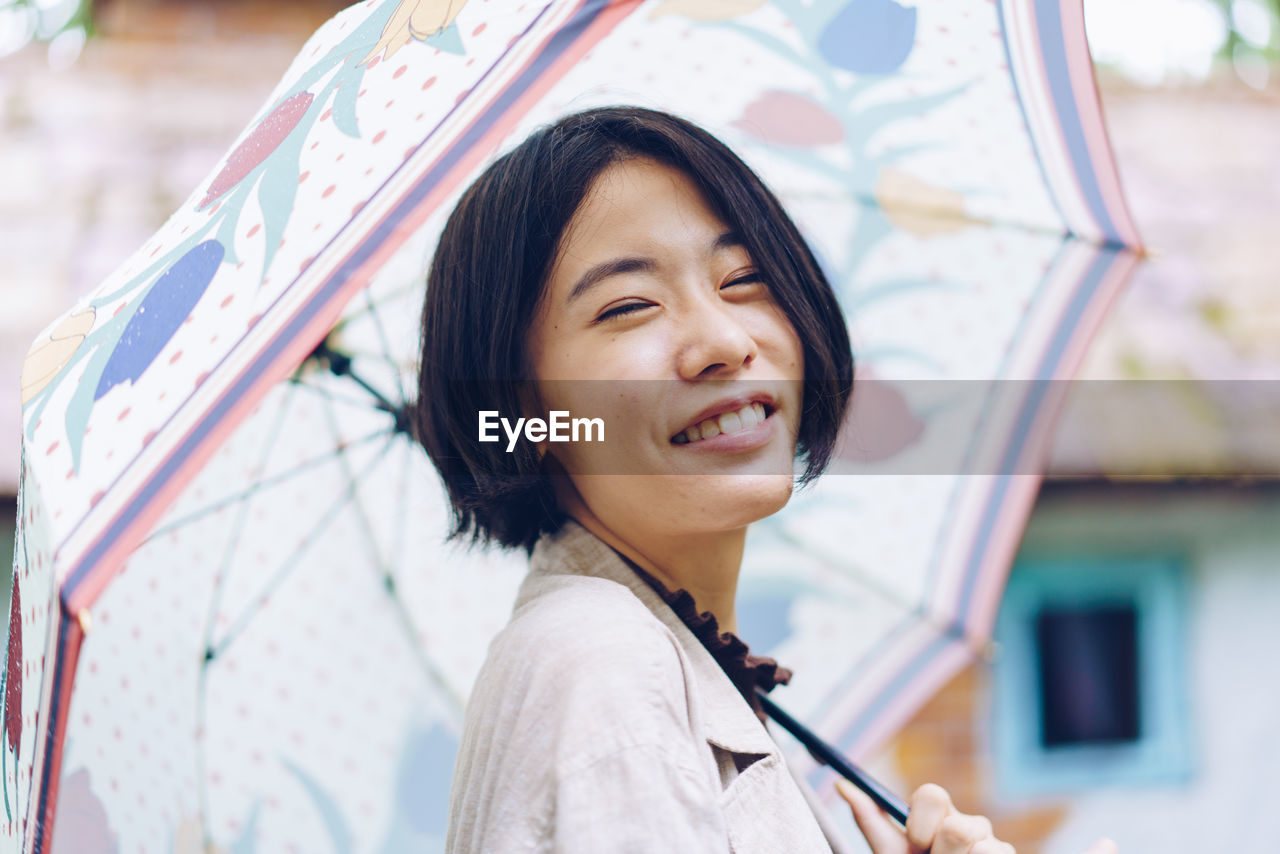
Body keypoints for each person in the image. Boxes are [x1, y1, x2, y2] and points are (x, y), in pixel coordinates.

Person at [412, 106, 1117, 854]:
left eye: (744, 279)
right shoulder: (607, 665)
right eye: (629, 307)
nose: (723, 340)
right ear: (524, 407)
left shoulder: (674, 659)